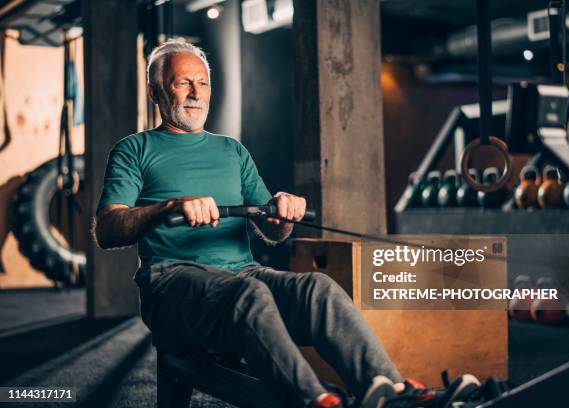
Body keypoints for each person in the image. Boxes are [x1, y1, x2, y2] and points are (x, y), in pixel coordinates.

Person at [94, 39, 480, 408]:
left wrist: (283, 210)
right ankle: (316, 401)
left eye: (203, 83)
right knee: (250, 296)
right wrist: (168, 207)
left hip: (243, 274)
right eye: (183, 83)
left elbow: (273, 229)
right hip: (171, 283)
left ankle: (394, 393)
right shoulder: (135, 150)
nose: (196, 93)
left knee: (319, 288)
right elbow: (108, 230)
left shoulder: (232, 151)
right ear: (156, 90)